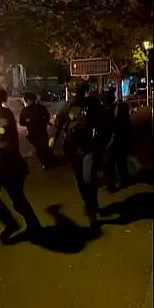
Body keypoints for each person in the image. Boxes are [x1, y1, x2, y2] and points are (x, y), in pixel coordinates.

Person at [0, 78, 42, 243]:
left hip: (9, 166)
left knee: (16, 200)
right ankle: (14, 223)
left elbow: (6, 145)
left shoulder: (1, 120)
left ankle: (30, 225)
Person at [49, 78, 108, 227]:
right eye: (74, 92)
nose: (75, 94)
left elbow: (104, 122)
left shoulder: (93, 105)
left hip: (89, 147)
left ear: (83, 92)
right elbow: (57, 125)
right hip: (73, 149)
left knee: (89, 178)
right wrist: (52, 140)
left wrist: (101, 138)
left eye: (78, 92)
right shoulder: (66, 107)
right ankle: (88, 203)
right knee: (80, 181)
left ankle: (92, 209)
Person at [104, 95, 133, 192]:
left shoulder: (117, 120)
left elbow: (114, 134)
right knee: (121, 163)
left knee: (113, 163)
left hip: (116, 144)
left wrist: (109, 144)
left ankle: (114, 183)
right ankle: (123, 180)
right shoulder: (125, 121)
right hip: (122, 143)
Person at [19, 92, 55, 169]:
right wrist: (29, 122)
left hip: (40, 132)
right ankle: (48, 162)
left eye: (27, 100)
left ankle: (49, 162)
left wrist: (42, 122)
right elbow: (21, 122)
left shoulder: (39, 108)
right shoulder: (26, 110)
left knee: (43, 148)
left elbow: (47, 117)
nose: (27, 101)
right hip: (34, 133)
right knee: (41, 148)